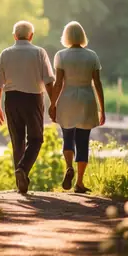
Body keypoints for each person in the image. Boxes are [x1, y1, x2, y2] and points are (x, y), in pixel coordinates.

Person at [0, 20, 55, 194]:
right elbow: (49, 81)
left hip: (11, 100)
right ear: (31, 36)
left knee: (17, 141)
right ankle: (23, 169)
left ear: (14, 36)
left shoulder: (5, 54)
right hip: (33, 99)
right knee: (36, 139)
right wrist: (53, 104)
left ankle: (20, 181)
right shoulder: (39, 53)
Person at [48, 21, 106, 193]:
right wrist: (102, 108)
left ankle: (68, 166)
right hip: (87, 98)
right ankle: (79, 182)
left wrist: (53, 104)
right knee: (83, 140)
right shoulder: (92, 56)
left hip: (67, 99)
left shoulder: (60, 55)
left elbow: (58, 83)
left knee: (67, 136)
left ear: (66, 36)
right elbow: (97, 83)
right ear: (82, 36)